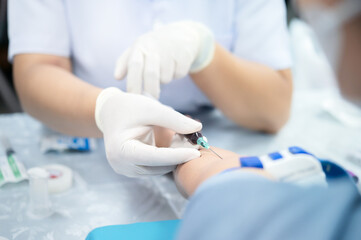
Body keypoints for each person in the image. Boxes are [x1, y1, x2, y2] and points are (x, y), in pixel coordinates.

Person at [8, 0, 293, 177]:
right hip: (88, 141)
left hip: (218, 133)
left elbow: (274, 107)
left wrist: (206, 53)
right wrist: (104, 109)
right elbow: (36, 70)